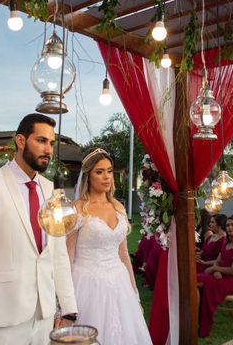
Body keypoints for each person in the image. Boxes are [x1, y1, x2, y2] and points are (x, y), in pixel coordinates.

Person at [0, 113, 77, 345]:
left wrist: (69, 309)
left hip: (44, 317)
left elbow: (58, 255)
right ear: (21, 141)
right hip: (1, 319)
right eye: (41, 141)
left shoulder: (51, 190)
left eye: (51, 143)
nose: (48, 150)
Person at [66, 148, 152, 345]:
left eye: (109, 171)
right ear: (88, 175)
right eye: (99, 171)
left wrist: (134, 293)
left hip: (119, 282)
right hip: (87, 284)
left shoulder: (118, 207)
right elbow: (67, 255)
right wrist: (64, 301)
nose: (106, 177)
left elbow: (123, 254)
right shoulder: (77, 208)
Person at [197, 215, 233, 337]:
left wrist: (215, 269)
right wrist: (216, 270)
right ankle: (195, 320)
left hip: (232, 281)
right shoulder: (227, 243)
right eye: (228, 225)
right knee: (194, 282)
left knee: (195, 281)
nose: (230, 227)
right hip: (220, 276)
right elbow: (217, 260)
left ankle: (197, 322)